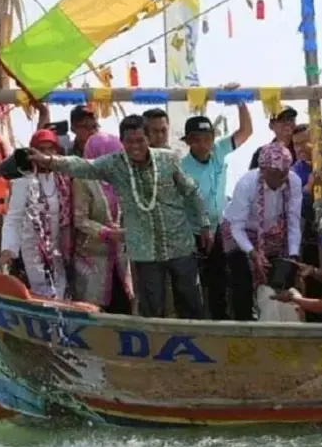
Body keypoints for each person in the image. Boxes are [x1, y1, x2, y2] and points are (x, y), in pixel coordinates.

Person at [27, 114, 211, 319]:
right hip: (145, 250)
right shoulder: (115, 164)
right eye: (129, 141)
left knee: (191, 302)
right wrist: (49, 160)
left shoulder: (168, 160)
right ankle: (156, 348)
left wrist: (204, 225)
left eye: (140, 140)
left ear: (148, 138)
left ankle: (196, 346)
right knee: (152, 309)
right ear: (122, 142)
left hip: (180, 244)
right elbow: (82, 165)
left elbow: (191, 191)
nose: (135, 146)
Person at [180, 102, 253, 319]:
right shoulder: (182, 167)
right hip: (192, 232)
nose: (204, 145)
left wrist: (240, 101)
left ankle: (221, 321)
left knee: (219, 279)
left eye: (208, 138)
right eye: (197, 140)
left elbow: (246, 131)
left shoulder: (219, 150)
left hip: (218, 227)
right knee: (193, 282)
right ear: (189, 141)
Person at [221, 143, 303, 320]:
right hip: (240, 231)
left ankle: (275, 321)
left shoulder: (294, 181)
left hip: (272, 232)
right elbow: (237, 227)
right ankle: (244, 323)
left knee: (278, 277)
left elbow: (293, 222)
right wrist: (253, 253)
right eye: (275, 174)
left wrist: (293, 256)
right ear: (262, 170)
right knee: (242, 278)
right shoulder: (246, 183)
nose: (280, 179)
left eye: (284, 174)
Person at [0, 129, 73, 299]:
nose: (47, 153)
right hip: (33, 248)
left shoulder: (63, 179)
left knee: (62, 292)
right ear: (33, 152)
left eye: (51, 148)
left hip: (59, 246)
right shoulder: (24, 181)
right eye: (42, 148)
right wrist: (8, 249)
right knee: (44, 293)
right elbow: (13, 219)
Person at [71, 132, 135, 313]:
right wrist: (106, 232)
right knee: (94, 310)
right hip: (93, 258)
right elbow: (80, 219)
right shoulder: (83, 180)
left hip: (120, 259)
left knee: (124, 308)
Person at [290, 123, 322, 299]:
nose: (300, 148)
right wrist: (308, 188)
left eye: (305, 142)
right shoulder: (294, 173)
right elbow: (296, 210)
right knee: (314, 279)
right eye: (296, 144)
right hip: (311, 236)